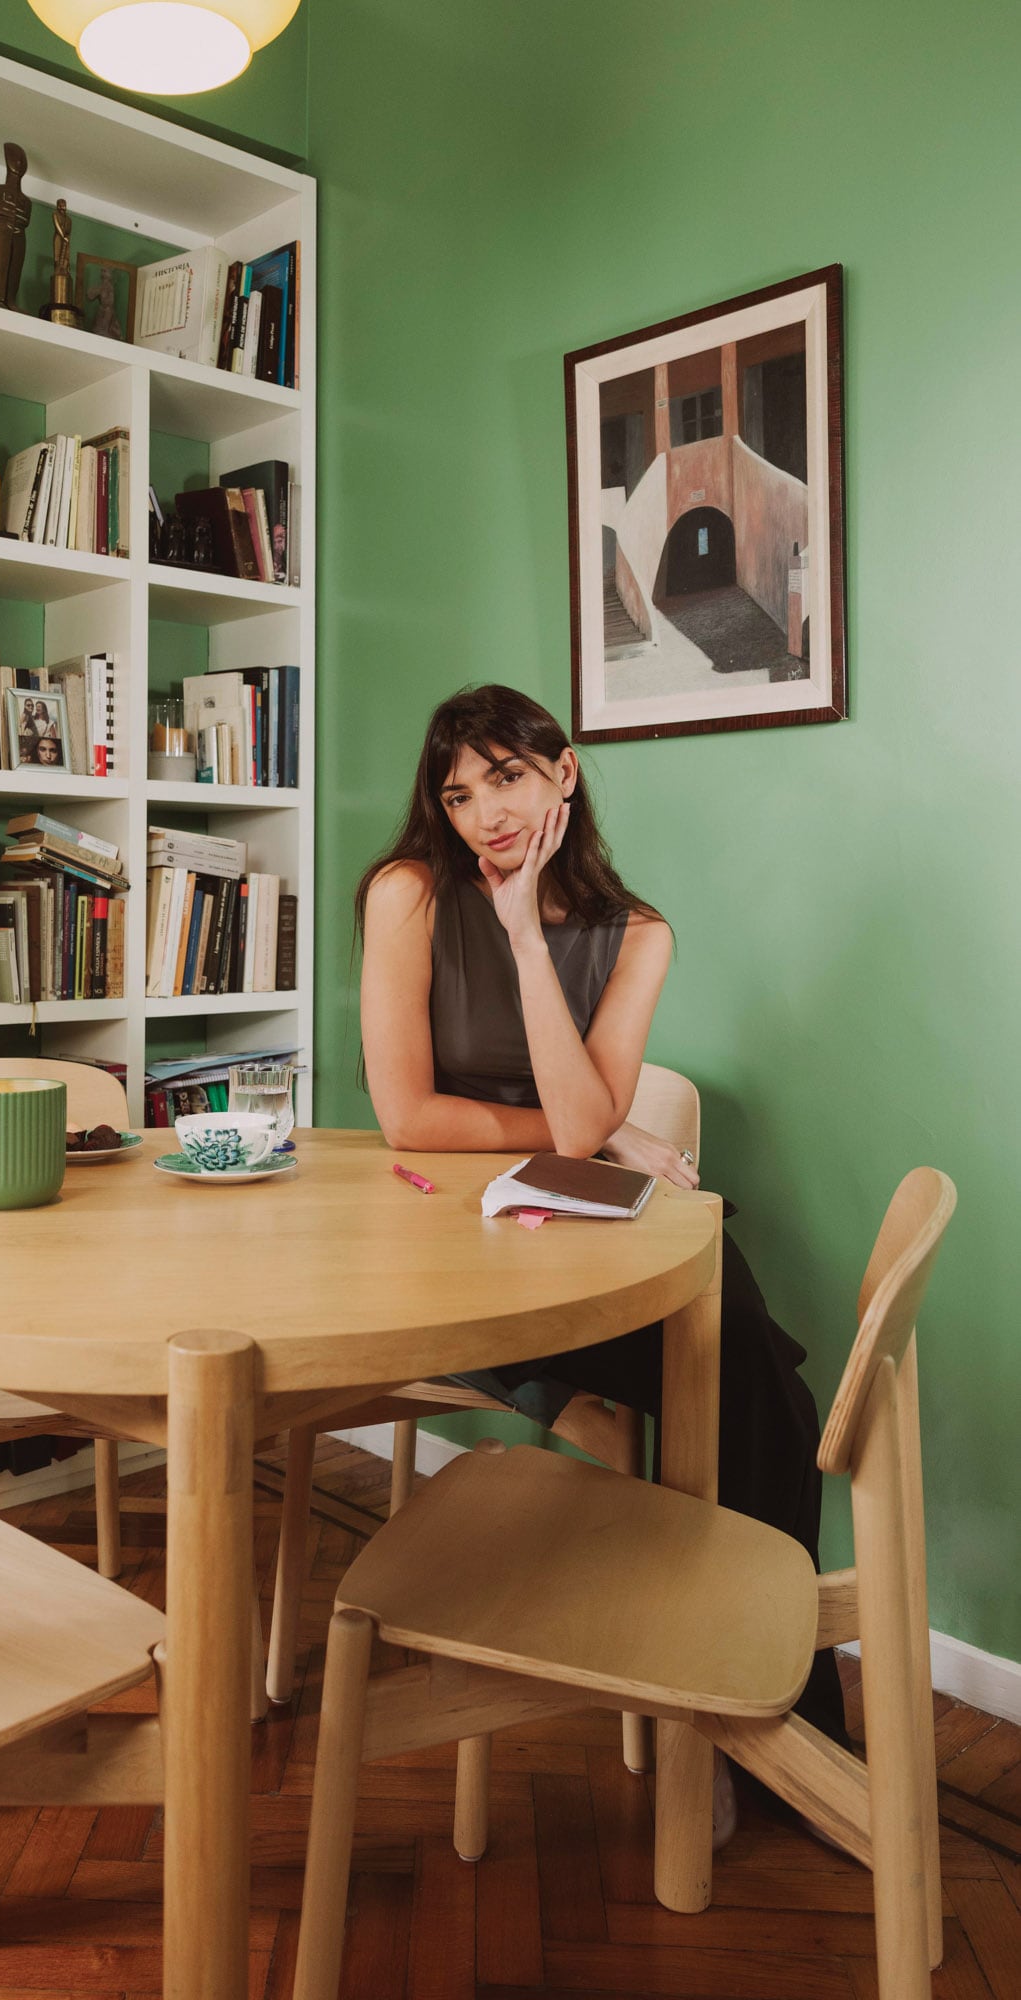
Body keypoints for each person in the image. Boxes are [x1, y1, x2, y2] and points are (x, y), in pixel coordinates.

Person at [356, 683, 847, 1820]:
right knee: (759, 1399)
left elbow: (576, 1133)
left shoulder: (637, 934)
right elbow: (410, 1117)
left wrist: (530, 937)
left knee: (756, 1384)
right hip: (447, 1233)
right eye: (459, 790)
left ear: (563, 772)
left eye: (508, 778)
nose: (485, 813)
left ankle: (737, 1715)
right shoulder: (410, 893)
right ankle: (777, 1741)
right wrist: (607, 1122)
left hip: (576, 1220)